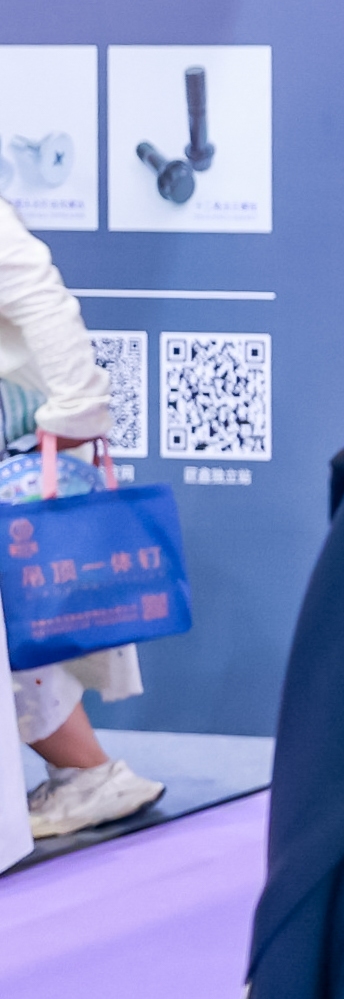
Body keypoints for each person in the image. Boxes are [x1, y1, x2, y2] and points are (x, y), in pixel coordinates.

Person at [0, 205, 161, 839]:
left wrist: (77, 408)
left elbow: (35, 289)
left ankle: (90, 775)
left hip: (20, 437)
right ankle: (88, 774)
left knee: (20, 619)